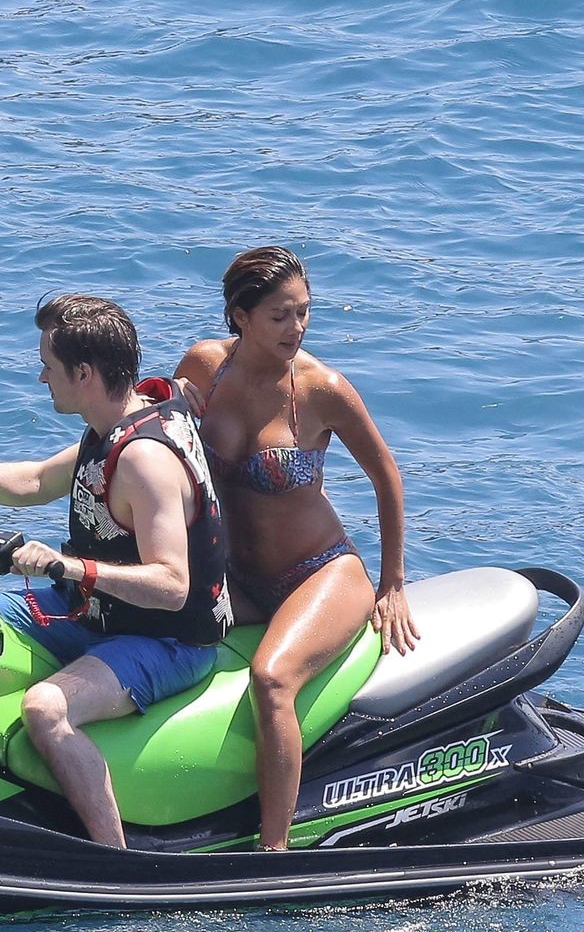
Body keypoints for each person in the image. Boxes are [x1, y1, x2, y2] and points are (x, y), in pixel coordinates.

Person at [0, 293, 233, 848]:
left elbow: (171, 585)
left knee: (45, 709)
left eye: (48, 365)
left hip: (165, 639)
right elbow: (37, 481)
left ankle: (115, 862)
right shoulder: (112, 423)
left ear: (84, 373)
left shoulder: (145, 461)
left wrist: (70, 567)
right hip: (97, 612)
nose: (42, 377)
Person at [173, 246, 419, 852]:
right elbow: (160, 446)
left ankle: (273, 851)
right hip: (238, 578)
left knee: (271, 679)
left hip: (319, 573)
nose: (297, 327)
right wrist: (169, 399)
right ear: (241, 316)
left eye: (304, 312)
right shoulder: (204, 367)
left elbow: (387, 477)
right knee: (147, 625)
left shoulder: (321, 389)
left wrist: (392, 583)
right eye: (280, 315)